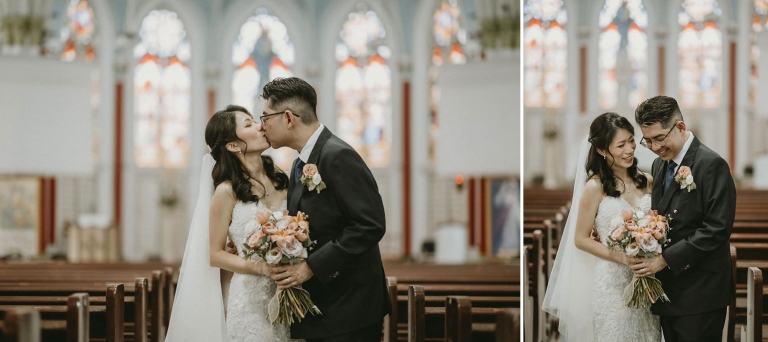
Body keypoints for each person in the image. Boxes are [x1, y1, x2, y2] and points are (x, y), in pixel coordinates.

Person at [257, 77, 390, 342]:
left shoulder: (337, 155)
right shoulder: (300, 164)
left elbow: (369, 224)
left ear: (288, 118)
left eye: (265, 117)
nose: (262, 127)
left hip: (351, 309)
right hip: (327, 308)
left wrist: (311, 267)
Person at [165, 105, 302, 341]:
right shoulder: (226, 192)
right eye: (249, 125)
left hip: (289, 289)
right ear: (233, 145)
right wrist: (261, 267)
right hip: (250, 299)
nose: (261, 126)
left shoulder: (283, 180)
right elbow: (215, 254)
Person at [543, 112, 661, 341]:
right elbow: (580, 238)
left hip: (646, 277)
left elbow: (659, 222)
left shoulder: (646, 180)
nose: (629, 150)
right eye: (620, 145)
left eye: (631, 141)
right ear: (601, 150)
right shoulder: (594, 187)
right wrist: (622, 257)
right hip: (612, 282)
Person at [630, 96, 736, 342]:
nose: (655, 147)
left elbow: (717, 229)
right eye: (648, 140)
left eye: (659, 138)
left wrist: (665, 259)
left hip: (700, 290)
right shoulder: (659, 165)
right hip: (669, 290)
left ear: (679, 127)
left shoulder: (711, 164)